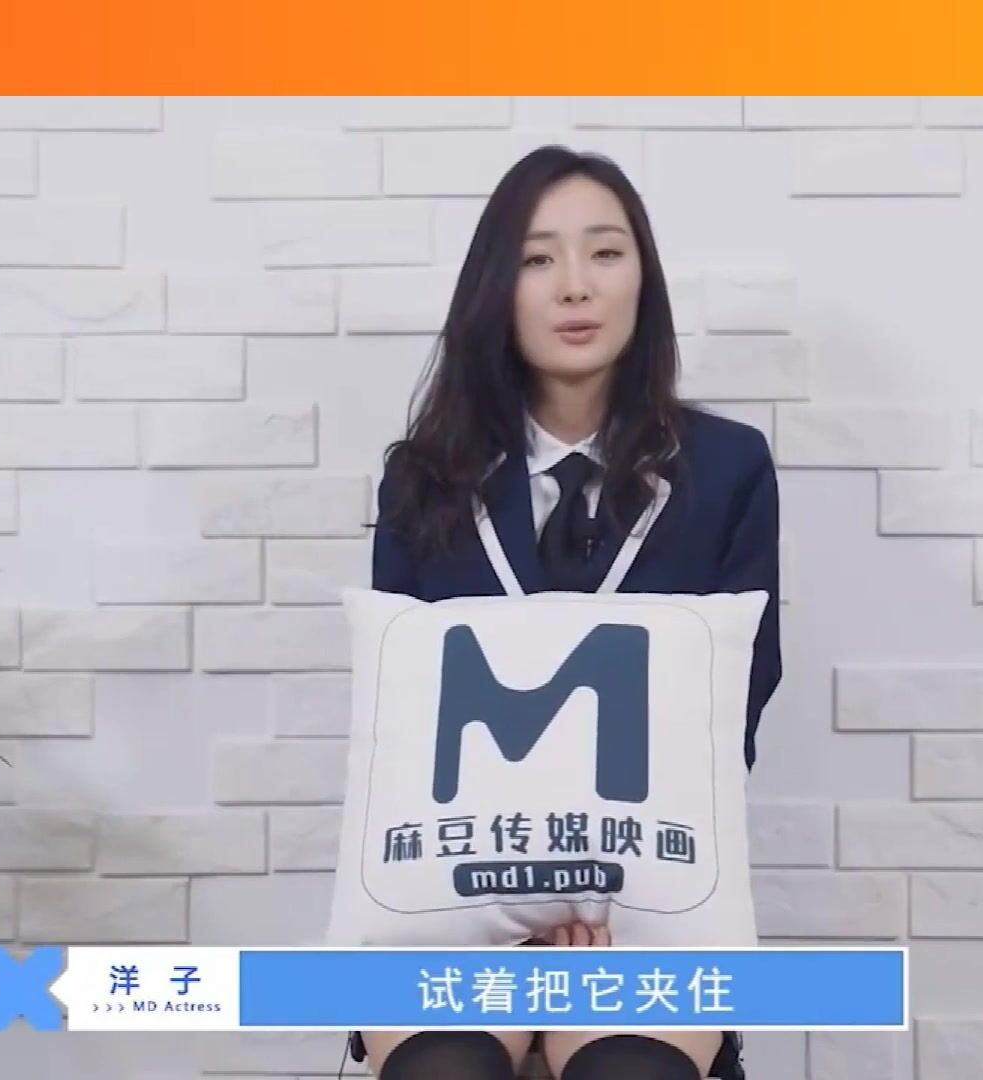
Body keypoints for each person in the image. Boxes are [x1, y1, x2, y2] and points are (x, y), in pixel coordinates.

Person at [350, 144, 782, 1080]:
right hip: (460, 898)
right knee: (444, 1066)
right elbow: (401, 725)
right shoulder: (424, 479)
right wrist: (507, 898)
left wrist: (602, 884)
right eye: (538, 258)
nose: (575, 285)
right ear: (495, 289)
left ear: (643, 279)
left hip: (642, 903)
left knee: (628, 1068)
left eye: (605, 252)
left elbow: (735, 713)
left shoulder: (727, 470)